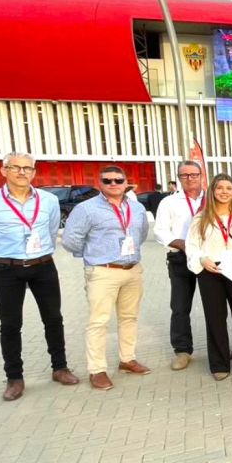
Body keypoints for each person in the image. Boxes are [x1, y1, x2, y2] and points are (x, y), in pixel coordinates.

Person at [0, 152, 76, 400]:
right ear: (3, 171)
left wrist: (38, 253)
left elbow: (51, 230)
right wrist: (3, 257)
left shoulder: (49, 200)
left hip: (43, 266)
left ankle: (59, 368)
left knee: (53, 318)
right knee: (10, 325)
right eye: (15, 167)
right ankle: (14, 378)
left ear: (34, 172)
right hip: (7, 269)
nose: (21, 172)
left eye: (27, 168)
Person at [61, 165, 151, 390]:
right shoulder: (86, 209)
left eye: (118, 180)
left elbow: (140, 235)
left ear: (125, 182)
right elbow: (71, 240)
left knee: (129, 318)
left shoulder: (136, 208)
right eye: (108, 180)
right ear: (99, 183)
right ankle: (97, 369)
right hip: (102, 271)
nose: (113, 184)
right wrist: (95, 255)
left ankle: (127, 359)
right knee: (98, 322)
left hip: (131, 269)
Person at [185, 174, 232, 381]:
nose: (224, 192)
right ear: (212, 191)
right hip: (211, 270)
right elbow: (191, 245)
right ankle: (219, 362)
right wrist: (202, 259)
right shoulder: (201, 218)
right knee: (215, 317)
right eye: (219, 188)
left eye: (229, 188)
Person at [154, 160, 205, 370]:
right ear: (179, 178)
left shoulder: (212, 198)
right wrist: (184, 244)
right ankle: (183, 350)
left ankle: (217, 347)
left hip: (208, 258)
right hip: (180, 258)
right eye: (185, 175)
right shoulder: (169, 203)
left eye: (194, 174)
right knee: (180, 307)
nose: (190, 178)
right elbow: (160, 231)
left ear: (201, 175)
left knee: (215, 307)